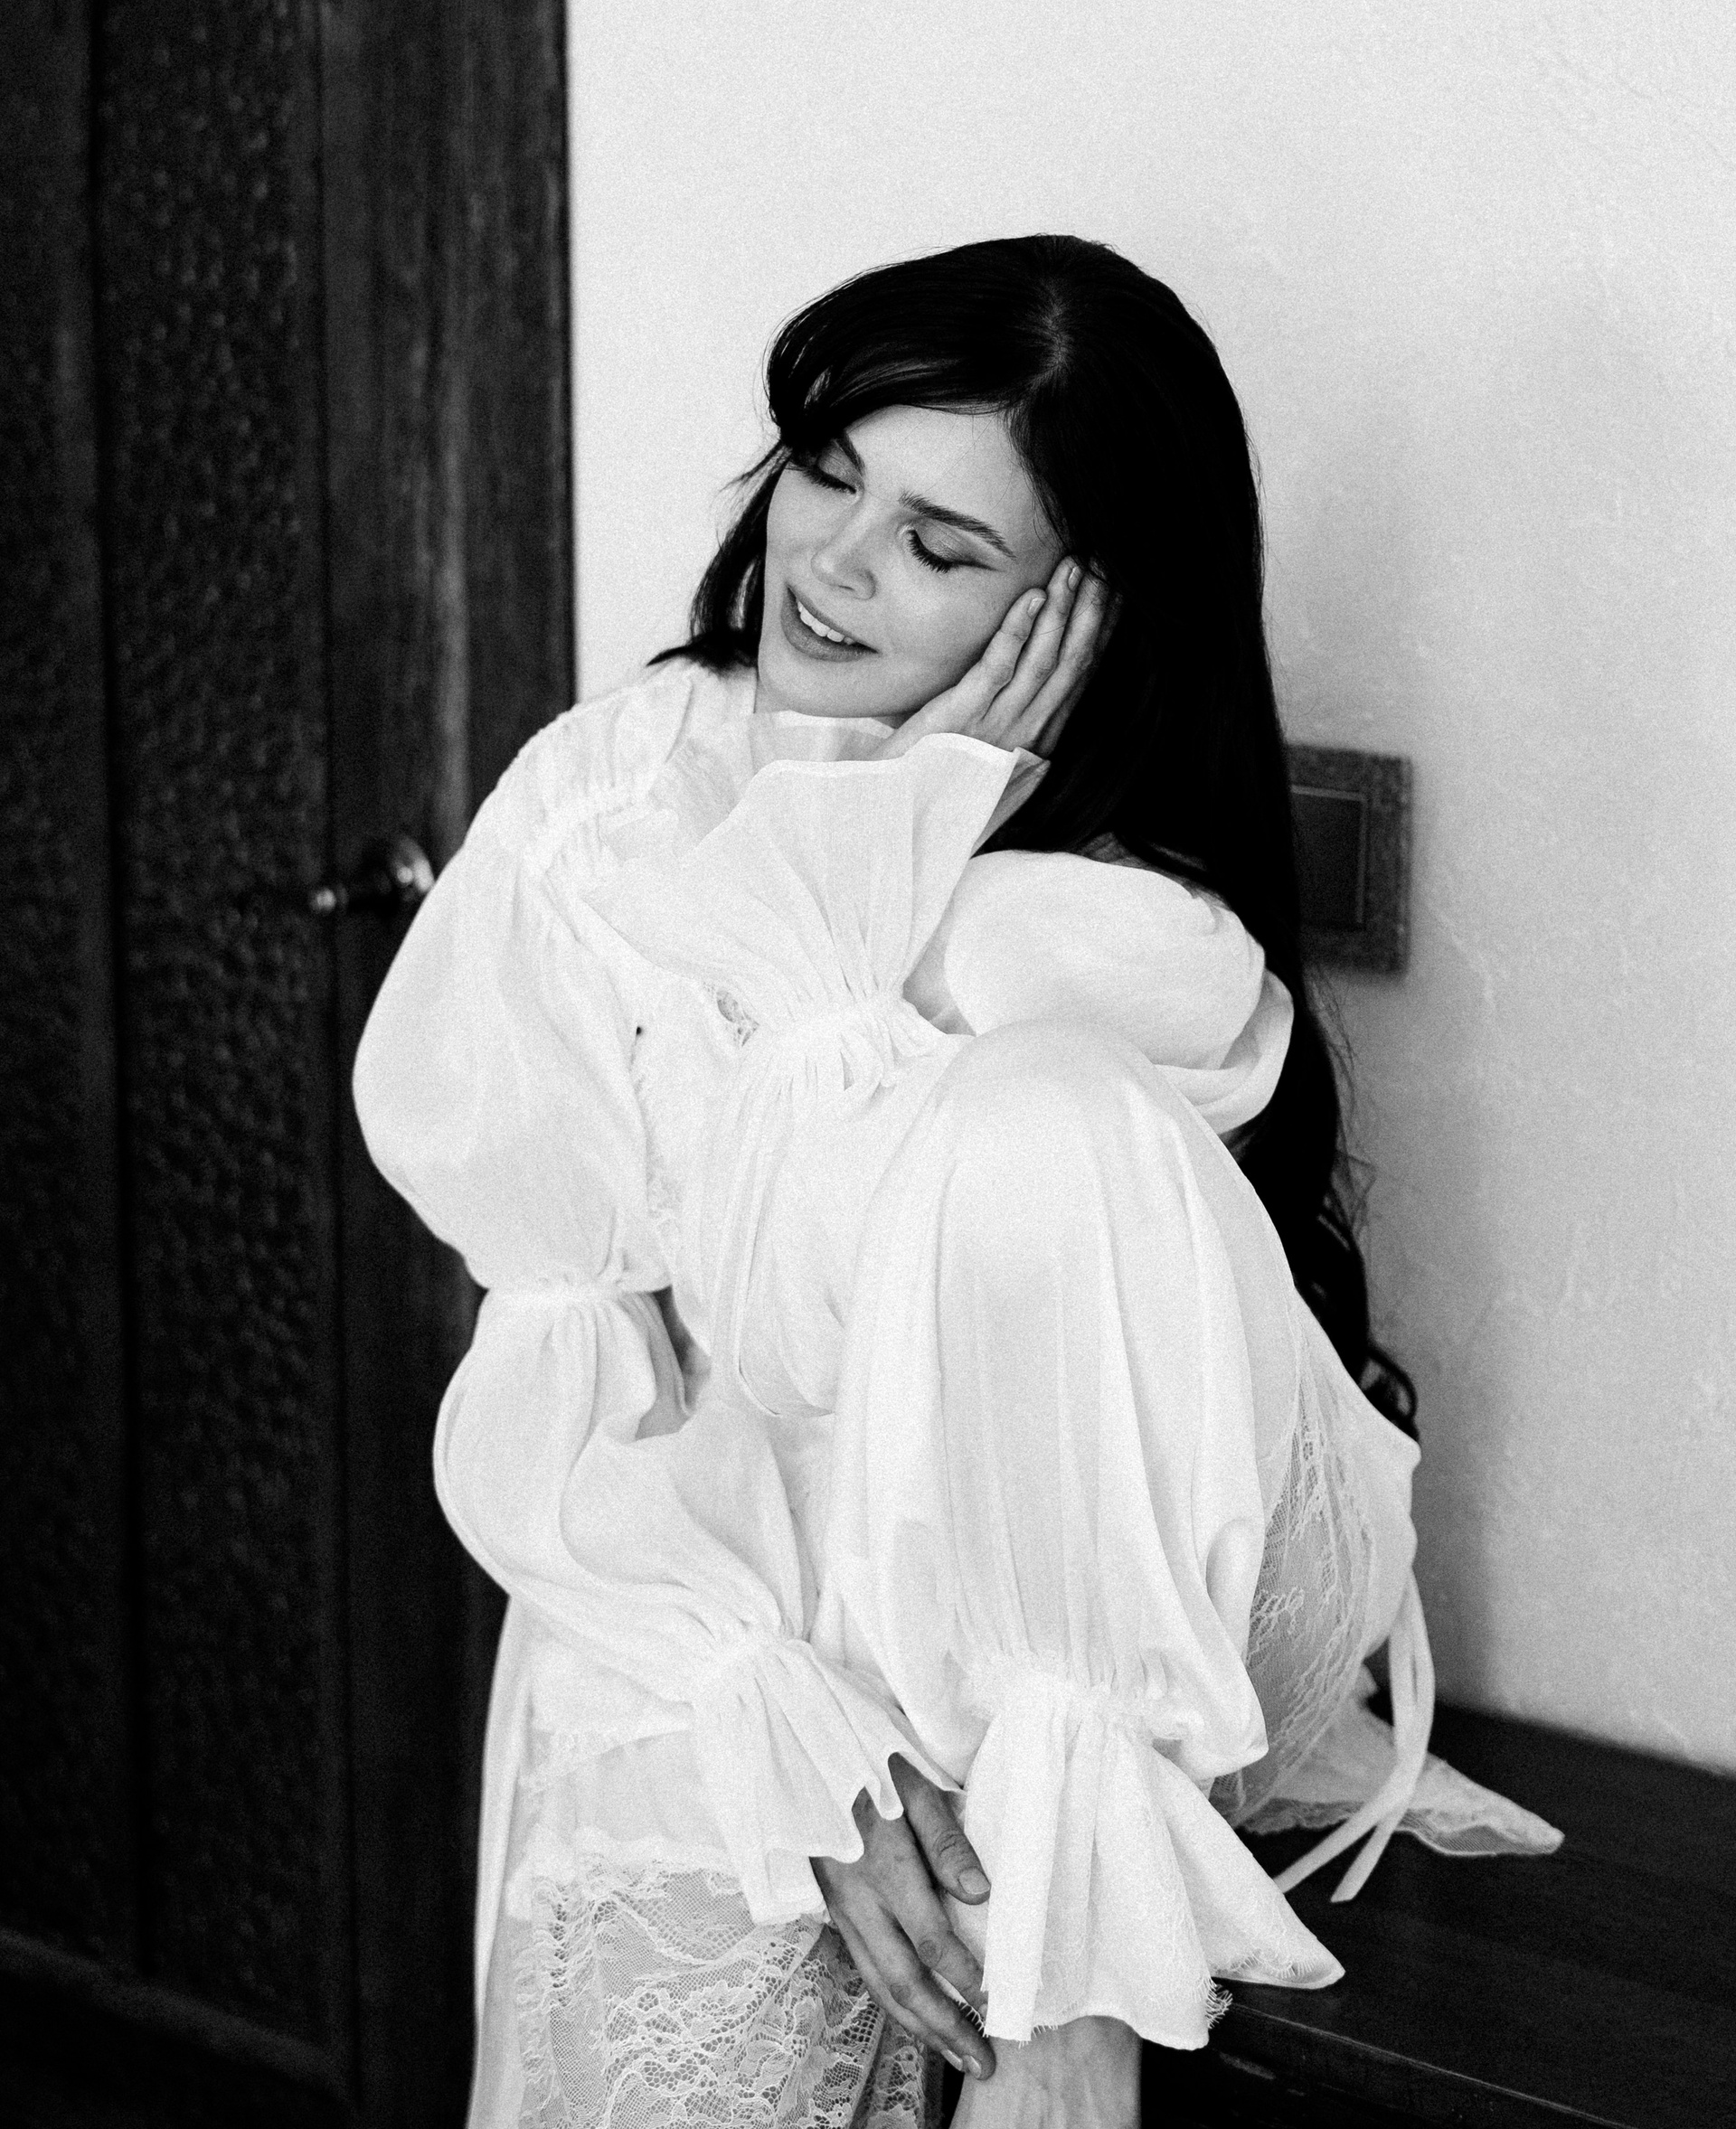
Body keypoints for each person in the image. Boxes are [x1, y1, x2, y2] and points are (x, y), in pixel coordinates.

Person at [354, 237, 1557, 2129]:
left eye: (939, 545)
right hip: (702, 1597)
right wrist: (788, 1727)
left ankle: (1070, 1993)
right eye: (829, 472)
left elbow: (823, 1292)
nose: (832, 564)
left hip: (1095, 1643)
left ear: (1087, 608)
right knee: (688, 1873)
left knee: (1036, 1111)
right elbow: (594, 1380)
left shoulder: (1114, 920)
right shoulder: (615, 799)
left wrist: (895, 838)